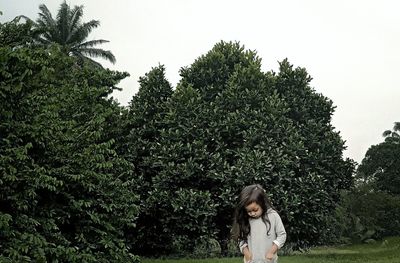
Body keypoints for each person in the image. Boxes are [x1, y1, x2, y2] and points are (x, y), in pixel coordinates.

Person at [232, 184, 286, 263]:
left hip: (269, 261)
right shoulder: (246, 219)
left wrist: (272, 251)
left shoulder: (273, 216)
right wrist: (246, 252)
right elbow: (241, 239)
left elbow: (282, 235)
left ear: (262, 204)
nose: (252, 213)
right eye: (249, 211)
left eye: (255, 210)